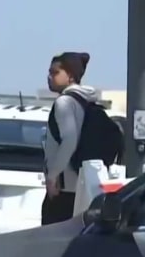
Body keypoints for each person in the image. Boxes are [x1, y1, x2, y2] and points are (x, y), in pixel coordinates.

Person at [42, 51, 100, 224]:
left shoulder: (64, 103)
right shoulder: (85, 101)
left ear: (71, 77)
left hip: (64, 189)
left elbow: (69, 140)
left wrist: (52, 176)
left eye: (55, 72)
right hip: (80, 187)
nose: (49, 77)